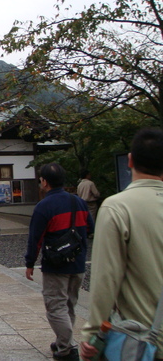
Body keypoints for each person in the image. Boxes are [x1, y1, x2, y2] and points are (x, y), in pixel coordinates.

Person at [80, 128, 163, 361]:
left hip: (144, 339)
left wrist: (93, 333)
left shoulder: (117, 207)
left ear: (130, 160)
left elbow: (106, 278)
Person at [25, 163, 94, 361]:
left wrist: (30, 262)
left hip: (56, 264)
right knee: (70, 304)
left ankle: (67, 348)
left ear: (44, 182)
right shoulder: (78, 202)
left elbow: (35, 238)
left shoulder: (44, 206)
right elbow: (90, 228)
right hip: (78, 261)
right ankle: (63, 339)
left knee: (55, 306)